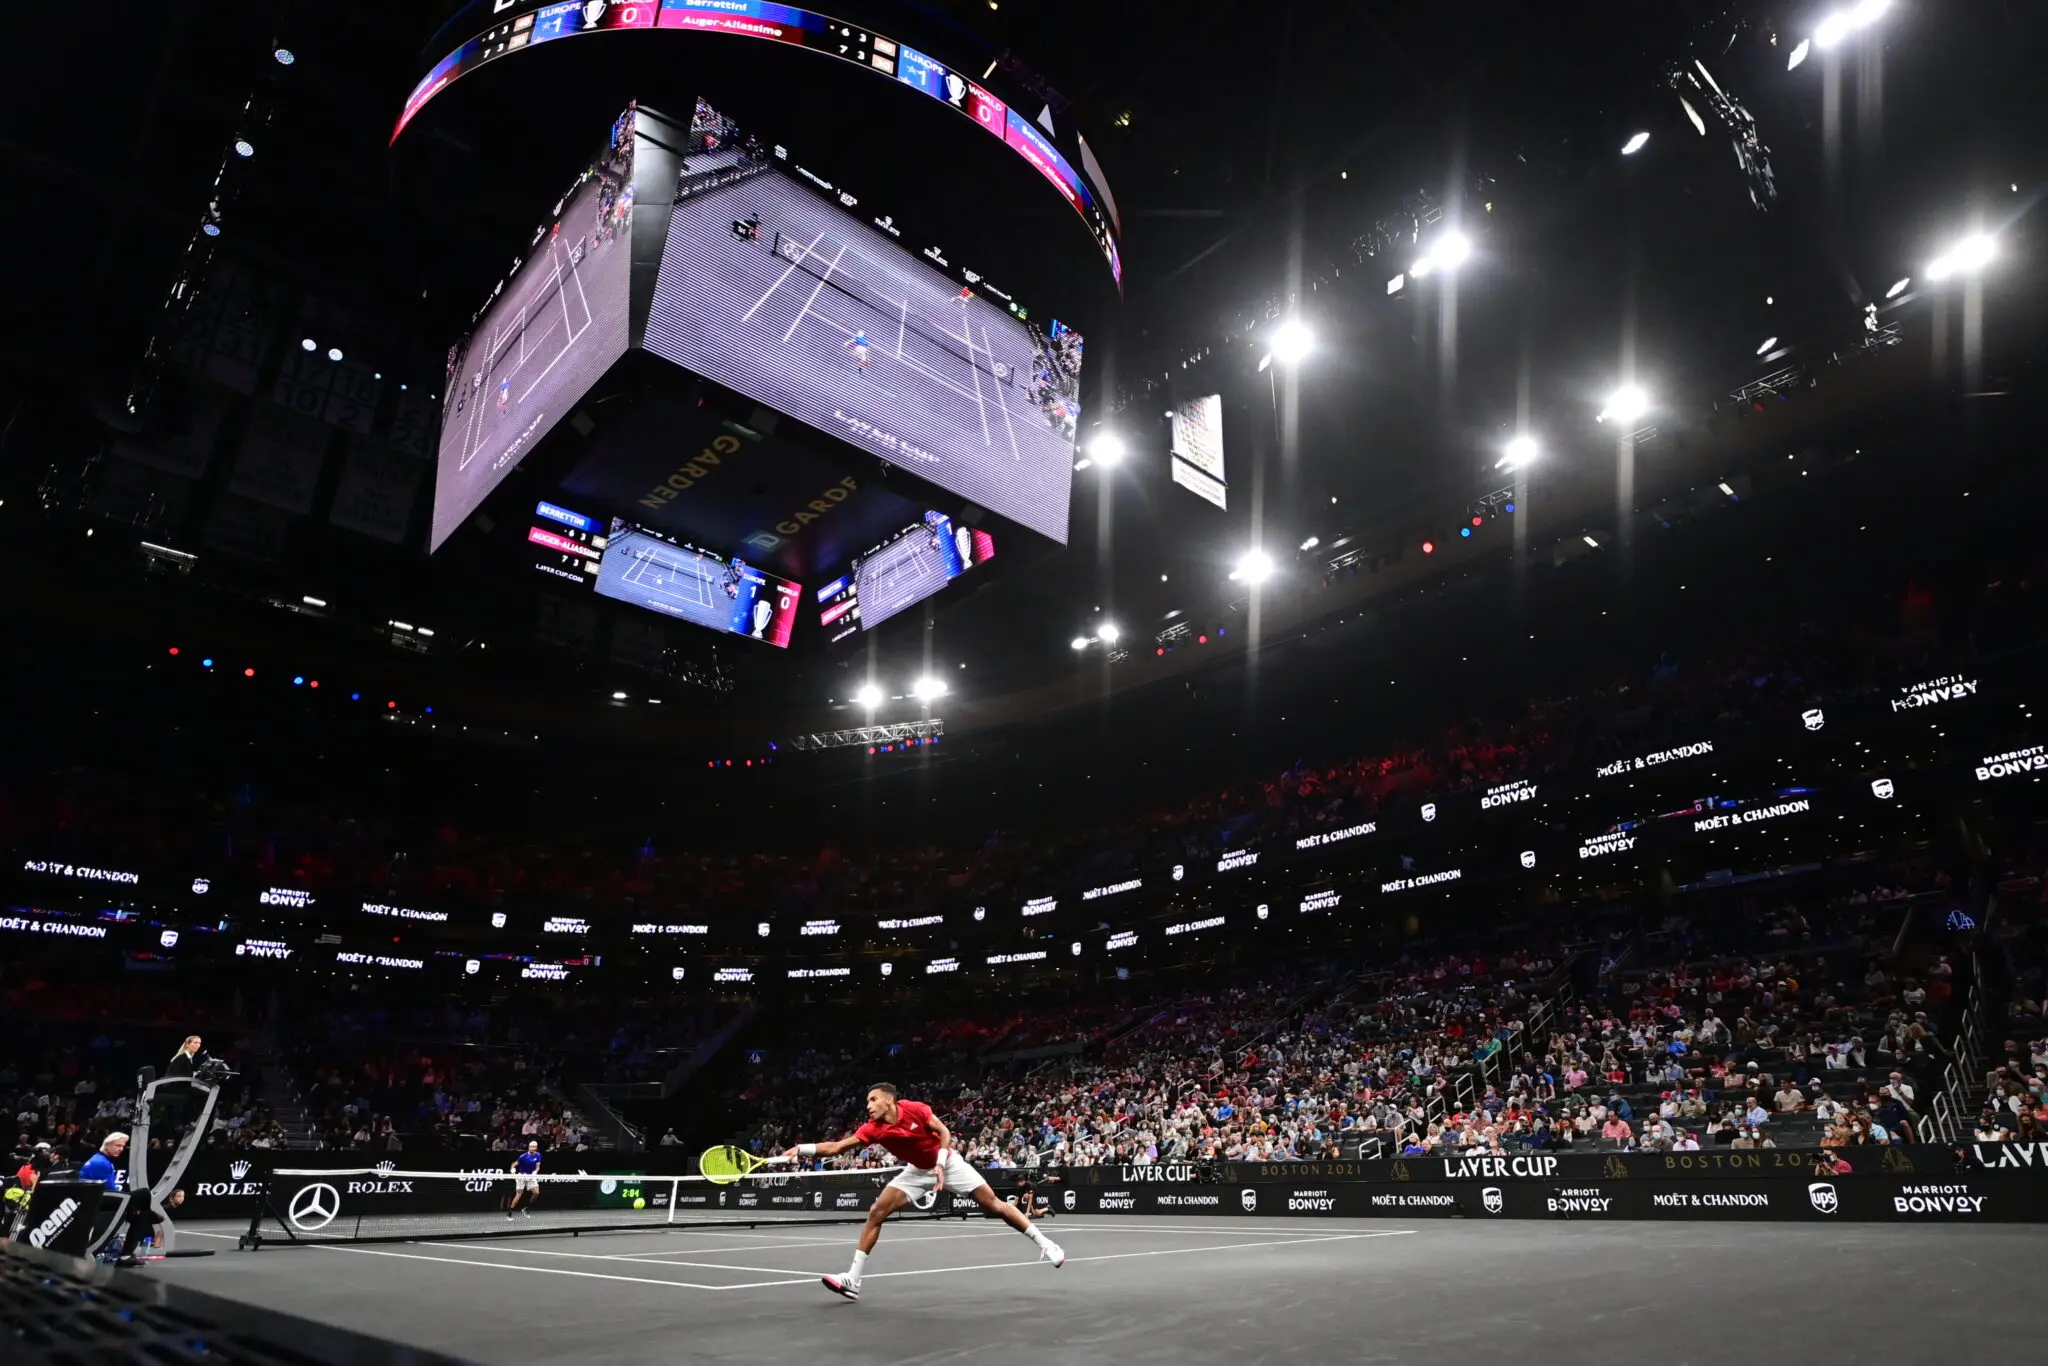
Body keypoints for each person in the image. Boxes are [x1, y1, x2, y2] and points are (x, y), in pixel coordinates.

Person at [782, 1084, 1063, 1302]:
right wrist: (802, 1149)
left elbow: (944, 1133)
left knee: (994, 1206)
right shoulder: (874, 1129)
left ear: (889, 1099)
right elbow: (837, 1148)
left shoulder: (916, 1109)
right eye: (867, 1102)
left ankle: (1045, 1243)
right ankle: (853, 1280)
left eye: (873, 1100)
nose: (868, 1106)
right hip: (917, 1171)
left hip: (948, 1163)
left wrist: (940, 1164)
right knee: (876, 1212)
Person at [508, 1141, 543, 1218]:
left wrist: (535, 1172)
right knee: (519, 1195)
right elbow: (513, 1165)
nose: (533, 1148)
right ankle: (509, 1213)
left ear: (536, 1148)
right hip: (522, 1176)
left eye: (534, 1147)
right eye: (531, 1147)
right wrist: (513, 1172)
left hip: (531, 1176)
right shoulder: (523, 1156)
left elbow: (537, 1167)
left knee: (536, 1193)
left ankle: (526, 1209)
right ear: (529, 1147)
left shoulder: (538, 1155)